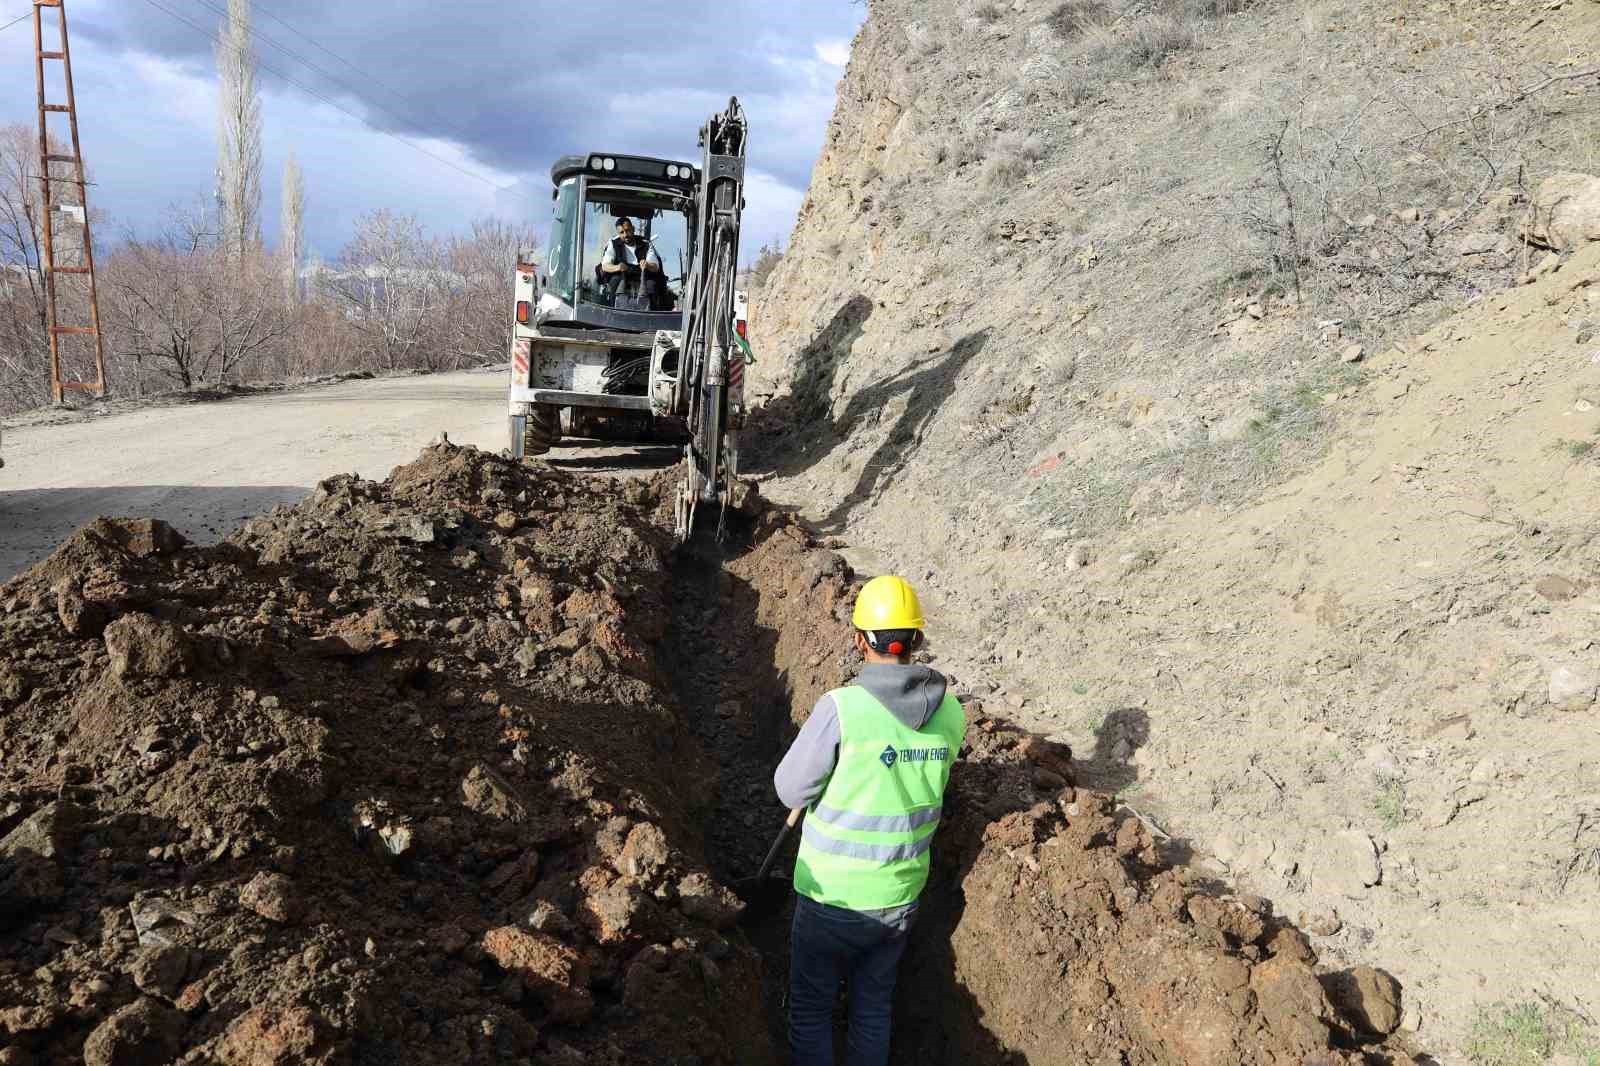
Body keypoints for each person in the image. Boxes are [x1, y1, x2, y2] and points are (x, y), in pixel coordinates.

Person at [773, 575, 967, 1066]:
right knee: (873, 1007)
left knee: (812, 1010)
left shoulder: (842, 708)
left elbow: (791, 790)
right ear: (916, 640)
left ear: (861, 640)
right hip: (899, 896)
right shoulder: (952, 713)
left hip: (830, 898)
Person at [598, 215, 664, 307]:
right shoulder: (613, 243)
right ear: (618, 233)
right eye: (621, 232)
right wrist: (618, 267)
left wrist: (647, 265)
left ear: (633, 229)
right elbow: (605, 266)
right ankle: (610, 314)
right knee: (613, 282)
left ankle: (651, 317)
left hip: (643, 277)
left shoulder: (646, 244)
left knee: (651, 286)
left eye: (627, 230)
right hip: (622, 276)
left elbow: (655, 267)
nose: (625, 235)